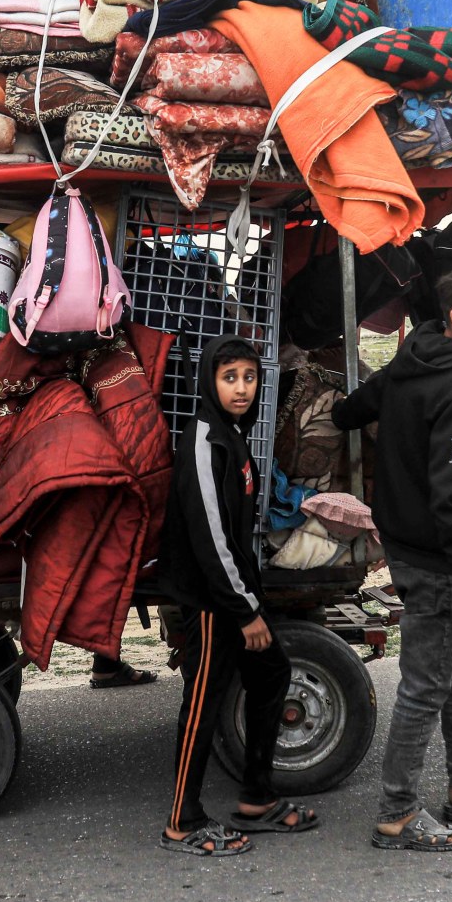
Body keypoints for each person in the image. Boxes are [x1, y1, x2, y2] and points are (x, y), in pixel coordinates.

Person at [336, 263, 452, 853]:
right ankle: (397, 813)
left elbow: (351, 410)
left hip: (404, 544)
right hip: (438, 556)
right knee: (425, 684)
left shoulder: (410, 361)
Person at [160, 336, 313, 856]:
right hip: (211, 602)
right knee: (201, 704)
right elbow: (210, 538)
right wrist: (245, 609)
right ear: (211, 381)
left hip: (238, 595)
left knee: (271, 674)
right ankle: (182, 821)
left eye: (249, 377)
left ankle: (256, 798)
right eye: (230, 378)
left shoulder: (233, 435)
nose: (242, 388)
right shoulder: (204, 441)